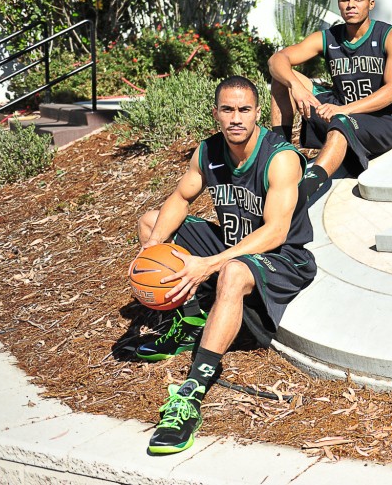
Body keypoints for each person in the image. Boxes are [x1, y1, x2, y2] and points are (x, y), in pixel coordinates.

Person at [134, 75, 316, 455]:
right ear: (216, 113)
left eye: (245, 110)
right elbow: (180, 199)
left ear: (257, 114)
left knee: (232, 271)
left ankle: (192, 393)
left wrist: (210, 264)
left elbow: (277, 232)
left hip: (283, 258)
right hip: (234, 245)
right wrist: (150, 250)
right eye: (228, 109)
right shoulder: (208, 151)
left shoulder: (279, 158)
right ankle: (184, 323)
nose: (236, 118)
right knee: (152, 222)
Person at [268, 0, 392, 202]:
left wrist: (344, 110)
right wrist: (296, 87)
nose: (351, 4)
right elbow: (277, 59)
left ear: (370, 4)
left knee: (341, 122)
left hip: (379, 122)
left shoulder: (391, 36)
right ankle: (279, 153)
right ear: (338, 4)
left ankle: (304, 189)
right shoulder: (328, 37)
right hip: (336, 110)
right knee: (281, 77)